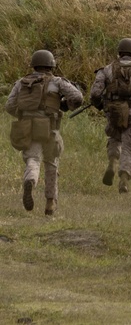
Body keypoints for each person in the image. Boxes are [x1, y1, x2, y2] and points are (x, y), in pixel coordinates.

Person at [5, 50, 83, 216]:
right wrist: (64, 105)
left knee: (33, 159)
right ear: (51, 65)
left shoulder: (21, 82)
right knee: (51, 164)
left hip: (28, 128)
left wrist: (24, 116)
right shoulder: (57, 82)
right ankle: (50, 204)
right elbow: (77, 97)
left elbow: (9, 106)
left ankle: (30, 180)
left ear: (34, 65)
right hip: (50, 128)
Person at [90, 37, 131, 193]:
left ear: (119, 53)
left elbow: (95, 93)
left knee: (114, 138)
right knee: (129, 145)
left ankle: (112, 162)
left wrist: (100, 105)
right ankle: (124, 179)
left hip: (113, 112)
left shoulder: (107, 69)